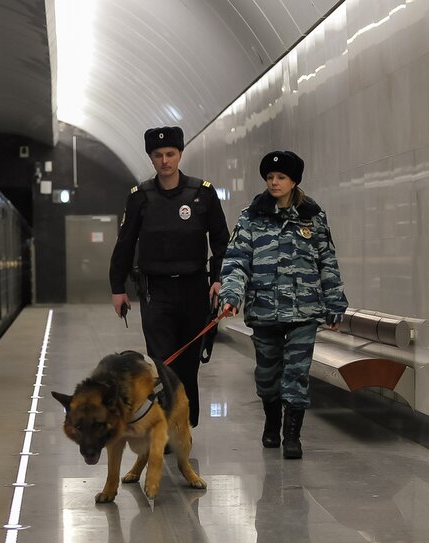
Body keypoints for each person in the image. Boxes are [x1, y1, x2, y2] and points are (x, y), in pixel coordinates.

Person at [219, 150, 348, 459]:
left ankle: (292, 435)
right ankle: (271, 421)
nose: (274, 182)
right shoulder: (252, 215)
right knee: (267, 375)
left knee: (297, 374)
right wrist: (231, 296)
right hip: (264, 310)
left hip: (304, 310)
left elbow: (327, 261)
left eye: (281, 177)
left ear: (294, 181)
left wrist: (335, 303)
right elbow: (236, 260)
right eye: (270, 177)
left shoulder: (312, 215)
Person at [110, 126, 229, 428]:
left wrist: (218, 278)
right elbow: (125, 243)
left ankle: (184, 426)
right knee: (162, 362)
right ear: (151, 159)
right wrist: (117, 287)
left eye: (170, 154)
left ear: (180, 155)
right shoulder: (140, 197)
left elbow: (220, 241)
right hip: (155, 291)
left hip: (193, 289)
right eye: (158, 155)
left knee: (188, 364)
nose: (165, 160)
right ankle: (165, 427)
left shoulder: (202, 194)